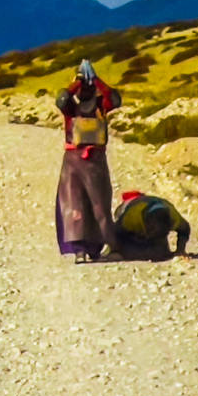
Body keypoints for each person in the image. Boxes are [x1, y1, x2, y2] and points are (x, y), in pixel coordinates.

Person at [53, 59, 125, 263]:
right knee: (75, 204)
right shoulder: (70, 109)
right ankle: (79, 249)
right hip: (73, 163)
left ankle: (109, 244)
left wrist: (97, 80)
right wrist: (78, 80)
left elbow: (115, 98)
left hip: (95, 162)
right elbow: (61, 98)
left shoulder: (101, 106)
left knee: (99, 205)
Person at [114, 190, 191, 260]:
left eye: (162, 234)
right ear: (146, 223)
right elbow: (114, 231)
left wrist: (180, 250)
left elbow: (185, 229)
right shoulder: (131, 217)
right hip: (127, 207)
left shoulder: (173, 216)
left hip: (153, 203)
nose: (155, 236)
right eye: (152, 232)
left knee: (159, 252)